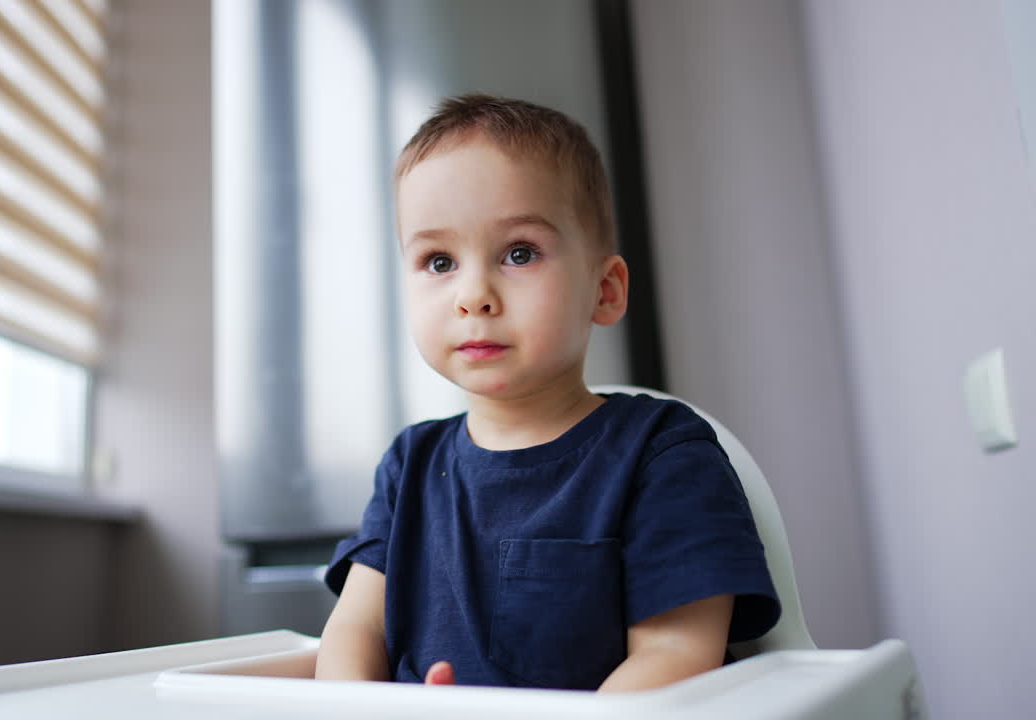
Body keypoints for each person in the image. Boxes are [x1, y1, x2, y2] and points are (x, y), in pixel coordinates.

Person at [314, 94, 780, 692]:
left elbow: (677, 653)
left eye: (519, 253)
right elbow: (353, 633)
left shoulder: (662, 454)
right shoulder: (409, 467)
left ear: (605, 290)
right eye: (437, 262)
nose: (473, 295)